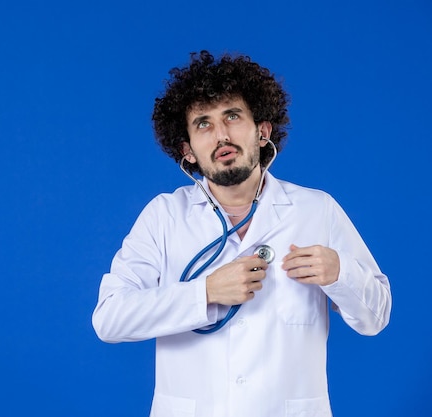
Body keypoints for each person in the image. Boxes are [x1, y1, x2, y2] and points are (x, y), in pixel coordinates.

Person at [91, 50, 392, 417]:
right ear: (187, 150)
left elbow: (376, 317)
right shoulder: (164, 216)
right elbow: (109, 318)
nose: (221, 135)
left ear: (262, 131)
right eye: (203, 124)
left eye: (232, 116)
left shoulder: (317, 210)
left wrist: (341, 273)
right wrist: (205, 292)